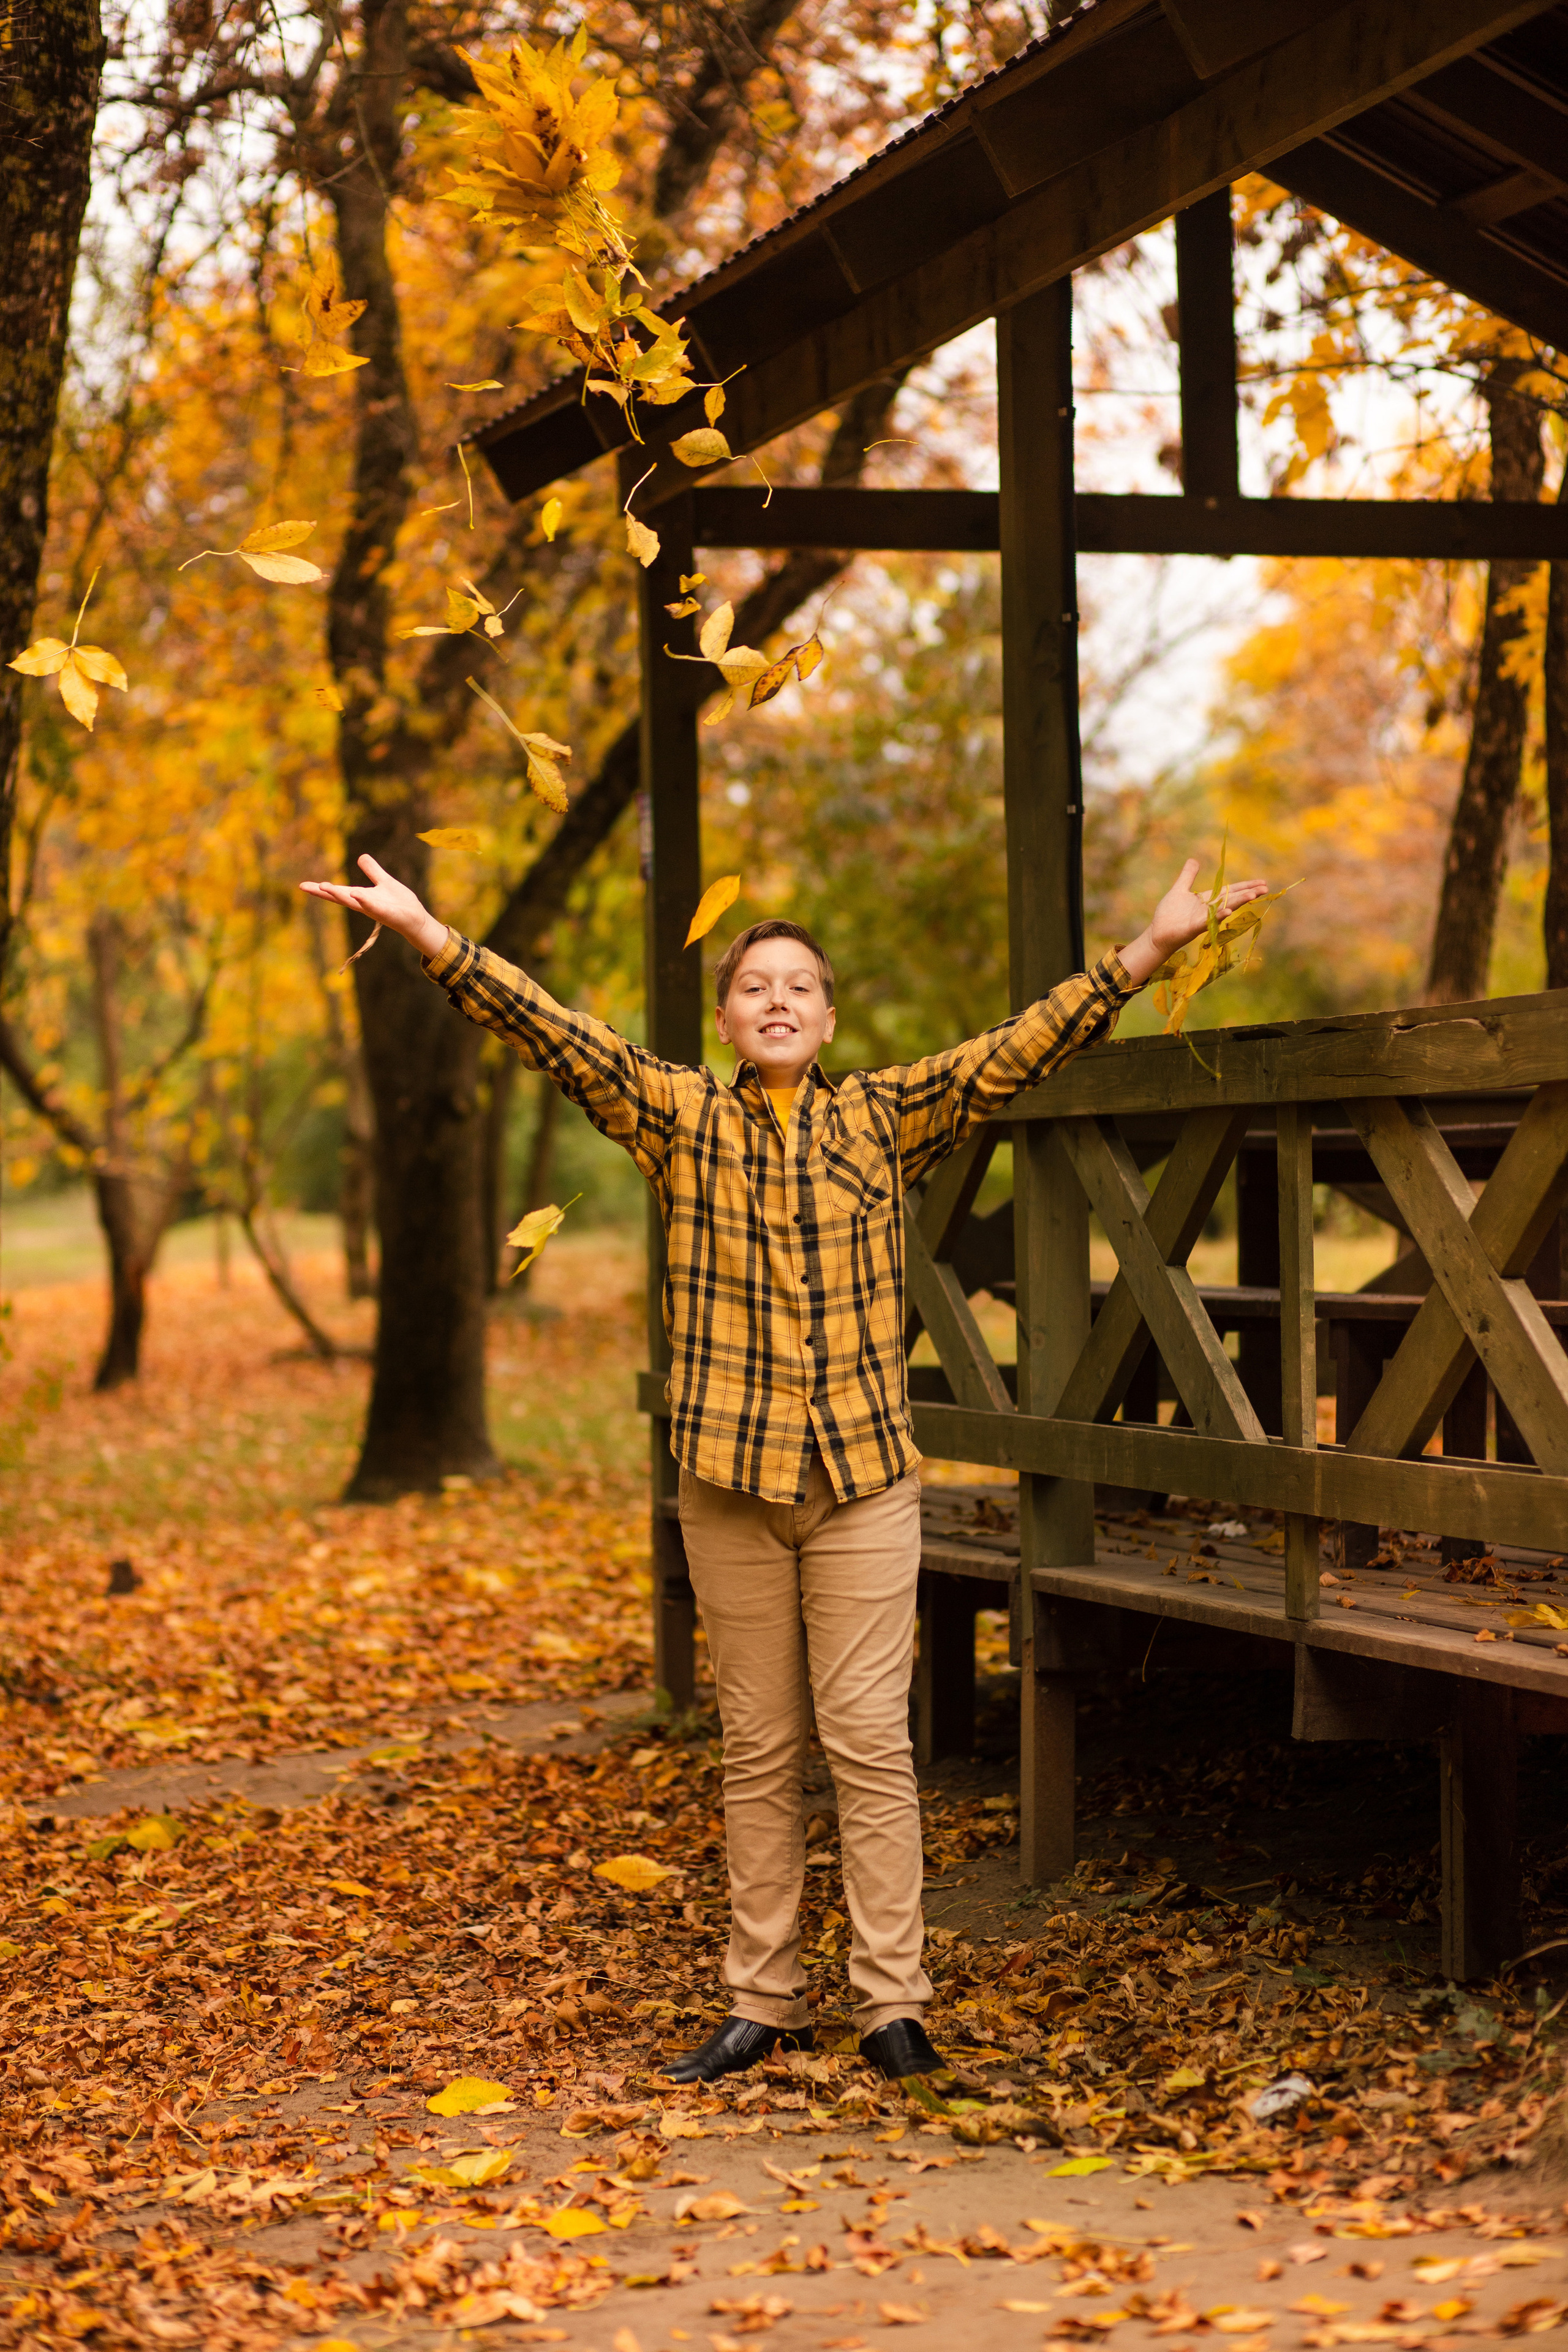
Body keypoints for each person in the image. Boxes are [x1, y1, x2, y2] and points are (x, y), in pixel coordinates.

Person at [300, 853, 1267, 2083]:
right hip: (727, 1484)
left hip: (862, 1477)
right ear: (723, 1020)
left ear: (825, 1016)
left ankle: (889, 2006)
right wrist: (434, 936)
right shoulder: (677, 1117)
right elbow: (550, 1032)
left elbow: (1020, 1048)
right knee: (759, 1748)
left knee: (866, 1741)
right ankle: (760, 2000)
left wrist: (1148, 951)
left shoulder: (883, 1117)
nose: (774, 1001)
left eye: (796, 986)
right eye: (751, 986)